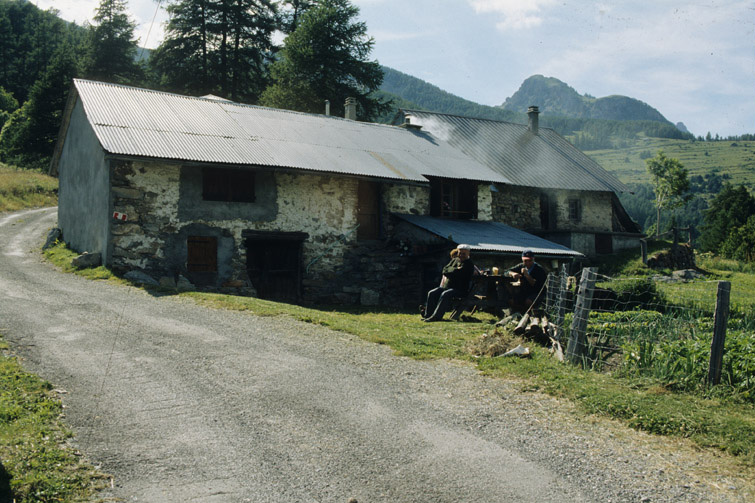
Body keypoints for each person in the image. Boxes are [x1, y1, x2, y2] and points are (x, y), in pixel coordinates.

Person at [422, 244, 475, 322]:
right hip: (447, 287)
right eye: (460, 253)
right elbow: (444, 270)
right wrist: (455, 269)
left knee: (445, 294)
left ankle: (437, 316)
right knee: (432, 293)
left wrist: (451, 271)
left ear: (468, 254)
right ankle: (428, 315)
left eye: (464, 254)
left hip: (459, 289)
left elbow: (459, 274)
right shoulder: (454, 260)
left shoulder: (469, 264)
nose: (461, 255)